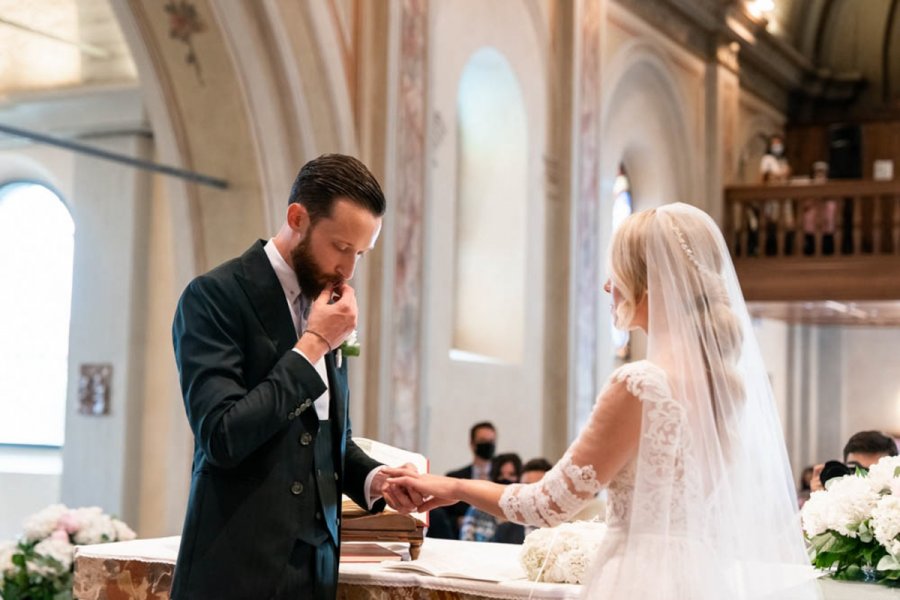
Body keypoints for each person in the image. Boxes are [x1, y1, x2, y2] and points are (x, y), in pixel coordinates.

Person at [389, 203, 819, 599]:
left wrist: (453, 487)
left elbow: (548, 505)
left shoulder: (641, 384)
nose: (607, 285)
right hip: (699, 576)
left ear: (650, 285)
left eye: (617, 271)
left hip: (642, 580)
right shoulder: (721, 384)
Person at [170, 154, 421, 600]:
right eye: (341, 247)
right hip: (235, 571)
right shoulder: (215, 296)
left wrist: (375, 479)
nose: (348, 269)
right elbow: (222, 435)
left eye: (360, 253)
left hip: (316, 570)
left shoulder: (323, 300)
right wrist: (314, 345)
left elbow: (323, 437)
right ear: (297, 218)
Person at [429, 421, 498, 539]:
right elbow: (443, 515)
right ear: (472, 444)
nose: (487, 445)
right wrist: (458, 521)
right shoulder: (455, 477)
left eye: (491, 441)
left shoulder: (501, 477)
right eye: (482, 441)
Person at [459, 453, 521, 542]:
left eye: (511, 474)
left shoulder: (525, 512)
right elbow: (465, 542)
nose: (505, 479)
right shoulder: (477, 509)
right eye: (500, 475)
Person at [810, 430, 899, 492]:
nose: (864, 479)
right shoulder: (835, 504)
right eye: (854, 469)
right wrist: (820, 499)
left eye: (874, 472)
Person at [492, 457, 552, 544]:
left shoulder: (567, 532)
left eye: (536, 487)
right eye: (526, 488)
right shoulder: (504, 532)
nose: (530, 494)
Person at [759, 134, 795, 255]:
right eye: (774, 144)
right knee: (772, 222)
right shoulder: (767, 159)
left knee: (787, 223)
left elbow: (787, 173)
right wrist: (778, 175)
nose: (777, 146)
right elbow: (766, 175)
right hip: (772, 195)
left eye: (778, 143)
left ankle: (787, 250)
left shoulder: (783, 160)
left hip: (784, 194)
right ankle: (771, 251)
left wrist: (783, 174)